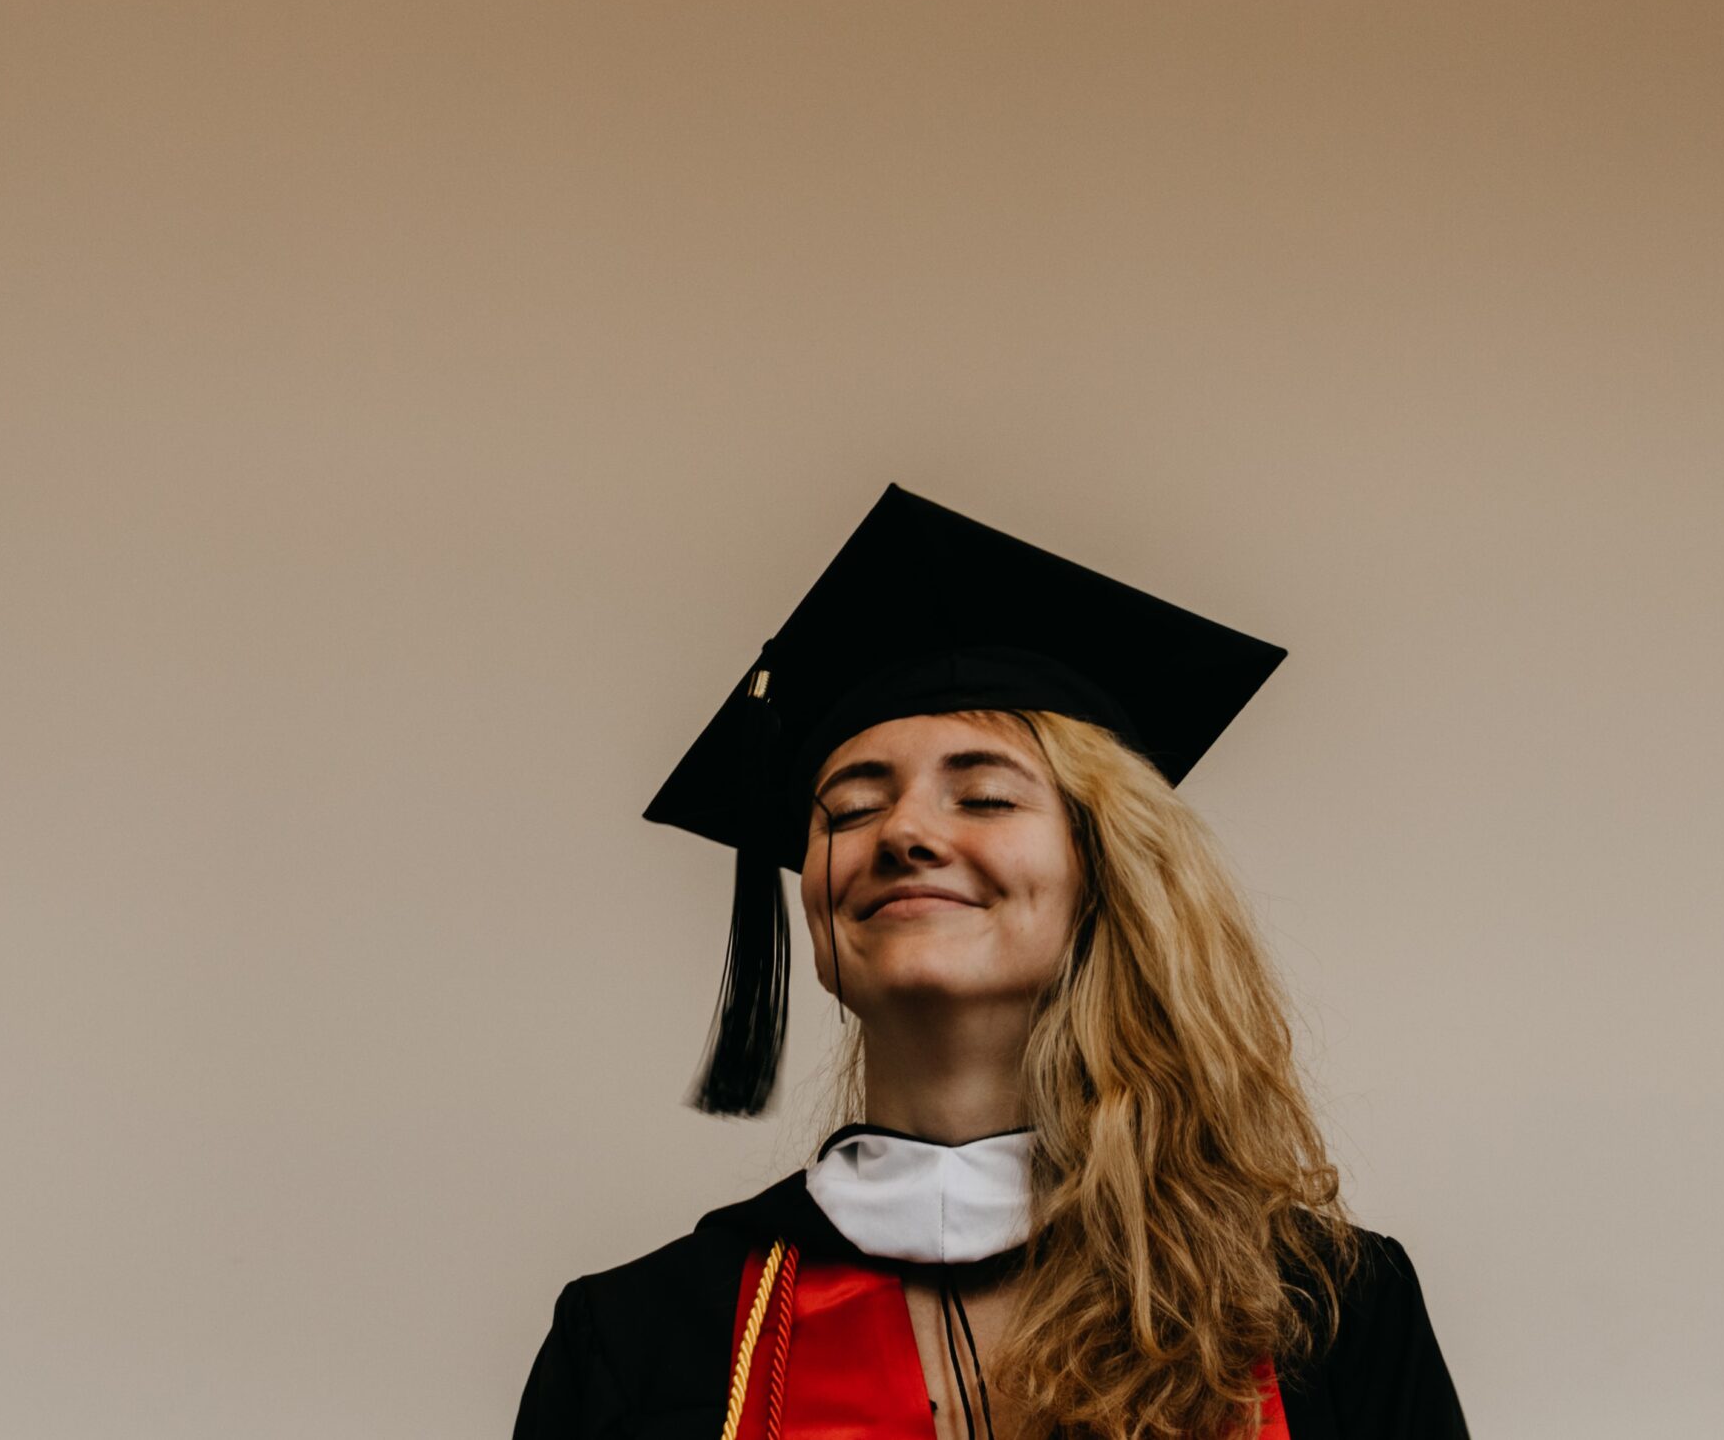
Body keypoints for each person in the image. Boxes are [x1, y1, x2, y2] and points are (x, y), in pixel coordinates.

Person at [514, 486, 1468, 1439]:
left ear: (1106, 875)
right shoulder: (644, 1342)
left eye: (984, 797)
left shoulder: (1316, 1313)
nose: (905, 831)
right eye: (848, 806)